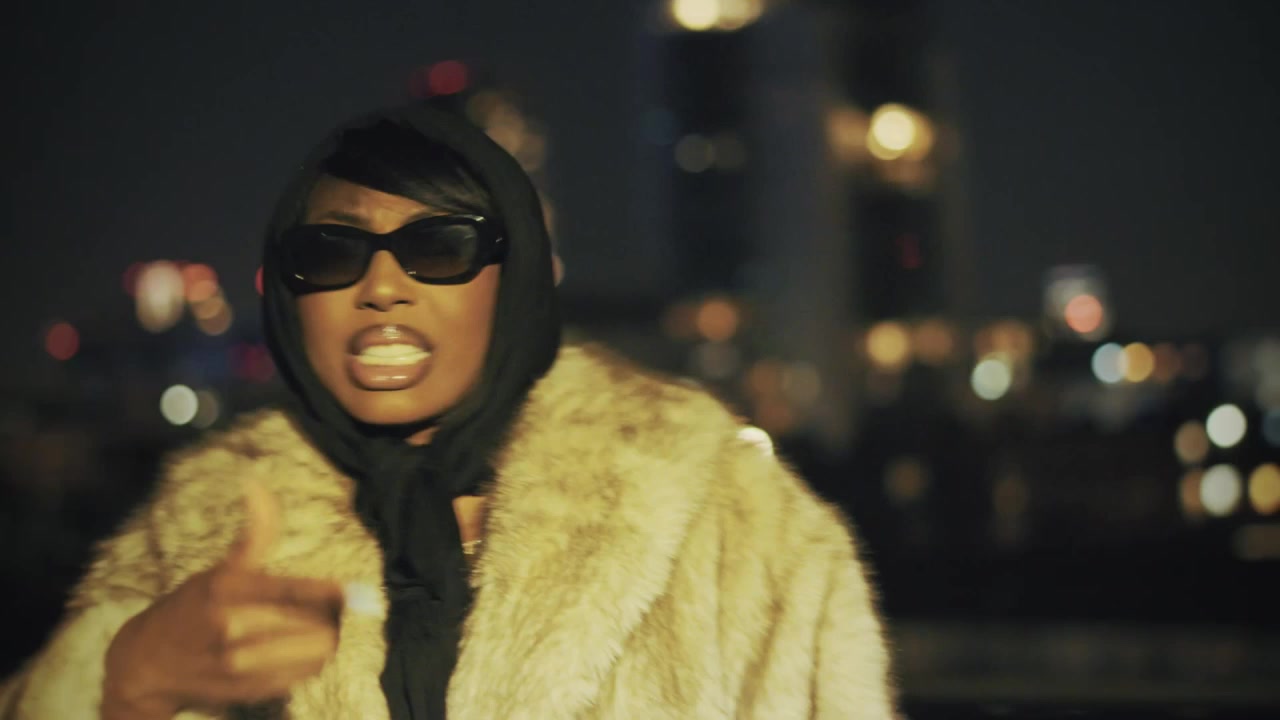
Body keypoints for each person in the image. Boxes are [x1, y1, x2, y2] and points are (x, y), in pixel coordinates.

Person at [0, 104, 895, 719]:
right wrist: (126, 683)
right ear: (287, 295)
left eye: (440, 246)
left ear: (519, 279)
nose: (383, 285)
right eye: (331, 253)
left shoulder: (733, 526)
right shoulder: (199, 543)